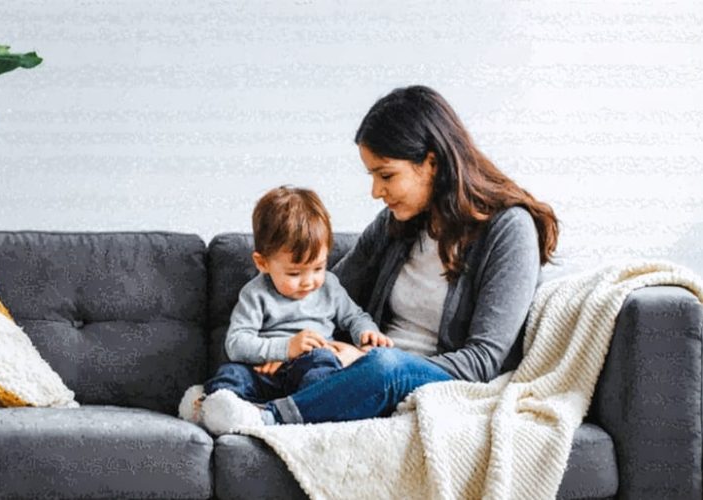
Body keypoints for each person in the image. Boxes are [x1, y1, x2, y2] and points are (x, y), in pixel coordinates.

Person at [200, 85, 559, 434]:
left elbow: (481, 360)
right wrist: (288, 347)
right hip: (366, 370)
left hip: (424, 376)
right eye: (372, 176)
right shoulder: (394, 224)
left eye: (386, 175)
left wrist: (367, 363)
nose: (375, 192)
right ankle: (227, 404)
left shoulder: (509, 230)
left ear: (430, 163)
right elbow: (326, 297)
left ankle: (267, 420)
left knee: (386, 365)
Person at [185, 186, 394, 428]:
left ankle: (297, 412)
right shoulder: (256, 293)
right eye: (294, 273)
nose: (308, 281)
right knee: (230, 376)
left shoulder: (330, 286)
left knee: (323, 366)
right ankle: (217, 410)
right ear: (263, 263)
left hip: (309, 367)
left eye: (318, 268)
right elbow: (236, 344)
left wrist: (366, 332)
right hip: (265, 373)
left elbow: (355, 317)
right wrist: (286, 348)